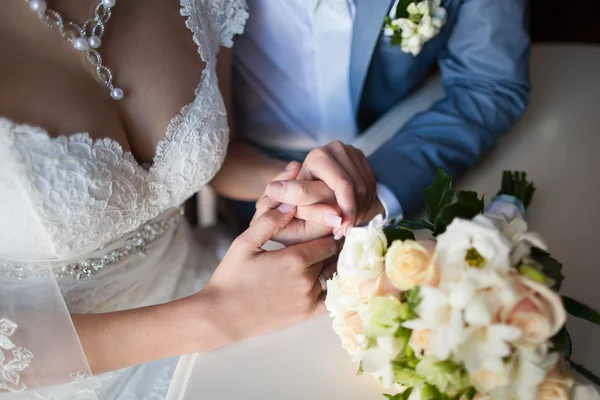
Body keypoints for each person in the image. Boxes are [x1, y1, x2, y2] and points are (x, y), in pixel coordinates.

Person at [0, 1, 373, 398]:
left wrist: (303, 187)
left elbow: (220, 154)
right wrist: (218, 315)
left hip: (226, 284)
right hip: (73, 374)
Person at [225, 0, 531, 228]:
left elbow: (488, 85)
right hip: (252, 187)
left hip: (397, 154)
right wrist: (298, 190)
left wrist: (378, 187)